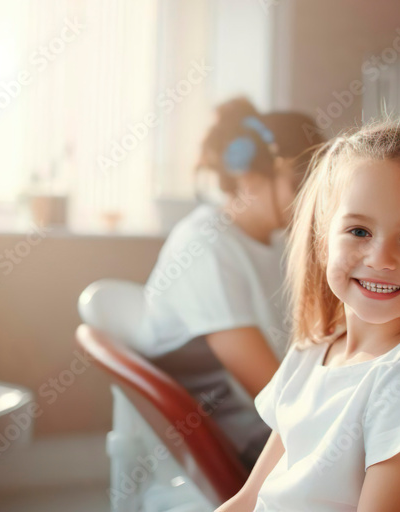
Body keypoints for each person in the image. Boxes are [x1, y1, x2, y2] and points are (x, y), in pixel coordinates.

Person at [217, 123, 400, 512]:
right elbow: (249, 498)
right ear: (323, 241)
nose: (380, 259)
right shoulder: (313, 350)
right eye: (359, 231)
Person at [135, 97, 321, 468]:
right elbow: (270, 390)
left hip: (268, 429)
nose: (314, 200)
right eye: (301, 182)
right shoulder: (206, 246)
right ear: (248, 175)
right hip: (241, 441)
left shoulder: (276, 242)